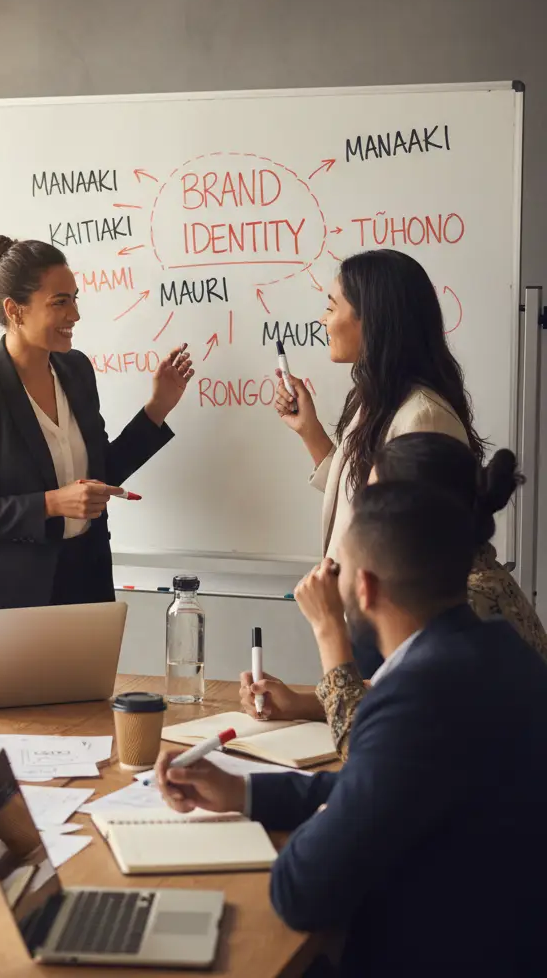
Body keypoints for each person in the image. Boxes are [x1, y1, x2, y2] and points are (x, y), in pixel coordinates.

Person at [157, 482, 547, 977]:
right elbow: (375, 787)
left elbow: (301, 892)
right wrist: (243, 792)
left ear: (364, 588)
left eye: (336, 569)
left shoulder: (416, 693)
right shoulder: (502, 652)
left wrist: (324, 817)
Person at [0, 236, 194, 660]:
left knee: (88, 723)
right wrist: (52, 504)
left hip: (82, 588)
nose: (74, 314)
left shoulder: (76, 371)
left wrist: (156, 409)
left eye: (74, 300)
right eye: (59, 303)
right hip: (4, 605)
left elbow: (97, 476)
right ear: (14, 311)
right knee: (9, 728)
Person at [240, 433, 547, 759]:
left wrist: (329, 629)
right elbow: (399, 697)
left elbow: (368, 752)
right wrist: (300, 703)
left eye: (373, 503)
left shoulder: (462, 605)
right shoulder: (469, 582)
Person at [275, 250, 483, 674]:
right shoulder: (374, 402)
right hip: (365, 619)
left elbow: (417, 546)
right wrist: (309, 432)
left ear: (371, 319)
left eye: (332, 307)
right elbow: (361, 495)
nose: (323, 320)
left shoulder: (423, 417)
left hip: (397, 630)